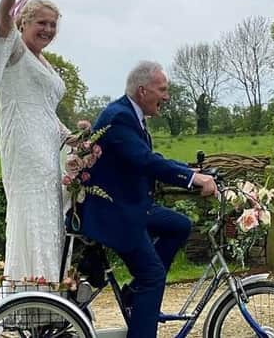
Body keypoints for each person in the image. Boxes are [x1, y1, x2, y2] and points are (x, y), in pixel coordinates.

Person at [77, 60, 217, 338]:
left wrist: (189, 171)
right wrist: (192, 180)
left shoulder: (130, 114)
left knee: (179, 225)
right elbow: (144, 160)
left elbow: (147, 158)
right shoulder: (120, 117)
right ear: (143, 91)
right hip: (115, 214)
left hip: (131, 206)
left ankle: (133, 293)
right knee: (153, 276)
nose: (166, 96)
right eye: (162, 90)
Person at [0, 0, 73, 283]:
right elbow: (0, 25)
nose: (48, 30)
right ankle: (28, 296)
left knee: (50, 219)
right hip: (24, 147)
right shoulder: (15, 51)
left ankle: (51, 297)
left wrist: (74, 138)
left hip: (50, 150)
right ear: (23, 22)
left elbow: (46, 112)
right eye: (41, 23)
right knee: (32, 215)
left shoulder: (44, 61)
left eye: (53, 25)